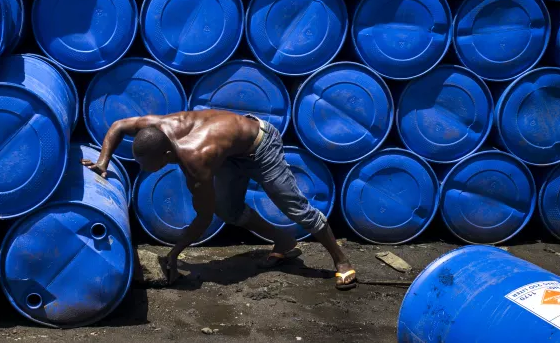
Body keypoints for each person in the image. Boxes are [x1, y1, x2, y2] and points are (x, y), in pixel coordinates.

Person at [82, 110, 357, 290]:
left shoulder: (196, 160)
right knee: (229, 209)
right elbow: (118, 126)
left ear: (166, 155)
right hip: (230, 153)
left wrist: (174, 254)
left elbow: (203, 218)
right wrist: (103, 162)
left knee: (292, 206)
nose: (143, 169)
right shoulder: (159, 127)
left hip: (260, 146)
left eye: (148, 164)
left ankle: (342, 262)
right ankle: (284, 242)